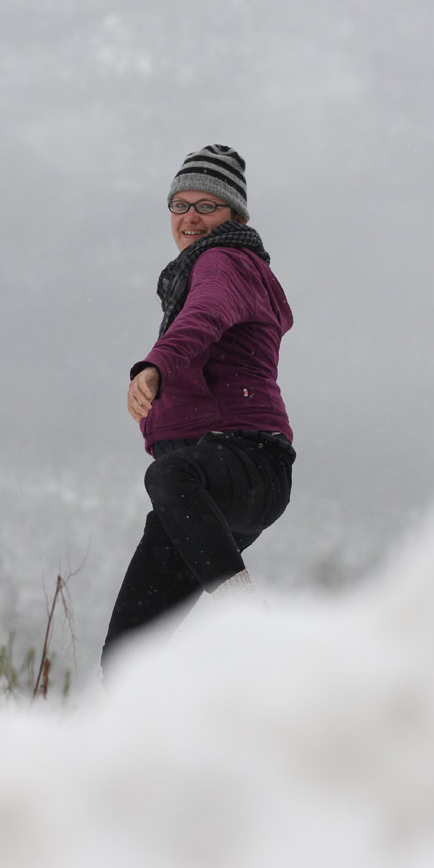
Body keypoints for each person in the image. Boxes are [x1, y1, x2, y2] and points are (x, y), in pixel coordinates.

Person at [102, 144, 295, 661]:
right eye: (179, 205)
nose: (190, 216)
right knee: (126, 658)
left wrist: (156, 364)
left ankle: (249, 623)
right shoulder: (211, 268)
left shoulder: (224, 261)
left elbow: (205, 315)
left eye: (206, 205)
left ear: (234, 214)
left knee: (169, 477)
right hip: (204, 490)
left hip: (246, 462)